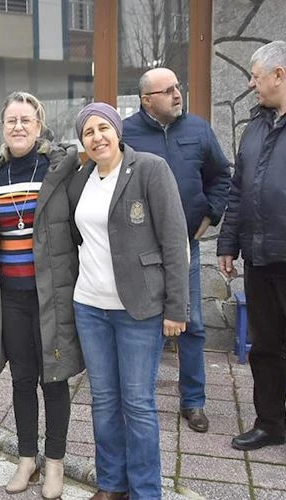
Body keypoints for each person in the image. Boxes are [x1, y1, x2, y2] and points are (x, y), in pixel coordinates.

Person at [68, 102, 189, 500]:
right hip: (90, 306)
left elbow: (175, 242)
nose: (97, 137)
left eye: (103, 128)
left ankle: (145, 491)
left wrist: (177, 307)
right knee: (103, 401)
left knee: (137, 403)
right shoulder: (82, 179)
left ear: (117, 131)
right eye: (88, 132)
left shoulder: (150, 169)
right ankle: (111, 484)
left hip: (139, 308)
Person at [0, 91, 84, 499]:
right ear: (2, 127)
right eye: (11, 120)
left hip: (50, 297)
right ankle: (27, 459)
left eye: (26, 120)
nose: (18, 126)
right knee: (22, 380)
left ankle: (54, 461)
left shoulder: (60, 169)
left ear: (39, 126)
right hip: (11, 299)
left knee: (53, 380)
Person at [123, 67, 231, 434]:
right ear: (146, 100)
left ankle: (193, 401)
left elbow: (221, 176)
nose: (177, 94)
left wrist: (211, 215)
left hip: (185, 247)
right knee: (143, 325)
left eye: (177, 87)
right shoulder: (126, 134)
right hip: (141, 251)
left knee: (192, 323)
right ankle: (140, 401)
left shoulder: (198, 130)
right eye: (167, 90)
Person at [218, 40, 286, 452]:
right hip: (259, 258)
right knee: (265, 346)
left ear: (279, 75)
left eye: (255, 76)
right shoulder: (255, 126)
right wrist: (227, 243)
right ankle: (270, 423)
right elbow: (238, 189)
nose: (250, 84)